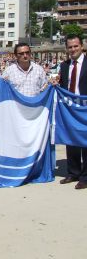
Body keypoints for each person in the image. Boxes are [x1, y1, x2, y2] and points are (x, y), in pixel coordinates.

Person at [58, 34, 87, 190]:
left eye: (76, 46)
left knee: (86, 142)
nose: (73, 49)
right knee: (71, 140)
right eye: (70, 47)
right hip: (70, 108)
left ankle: (85, 176)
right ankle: (73, 172)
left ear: (81, 46)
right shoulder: (64, 65)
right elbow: (63, 85)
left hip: (85, 108)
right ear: (67, 49)